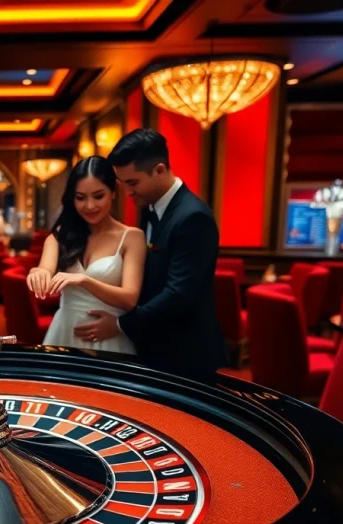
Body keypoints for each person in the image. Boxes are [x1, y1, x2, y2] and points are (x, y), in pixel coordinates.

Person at [72, 129, 228, 381]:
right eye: (123, 184)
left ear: (159, 170)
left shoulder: (193, 217)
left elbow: (179, 294)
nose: (128, 193)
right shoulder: (150, 207)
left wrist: (121, 325)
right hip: (153, 343)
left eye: (133, 183)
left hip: (184, 351)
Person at [26, 156, 146, 354]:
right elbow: (45, 269)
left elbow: (130, 299)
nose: (89, 206)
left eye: (98, 196)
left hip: (109, 334)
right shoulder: (61, 235)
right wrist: (37, 272)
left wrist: (84, 280)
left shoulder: (132, 237)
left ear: (113, 192)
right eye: (80, 198)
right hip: (65, 330)